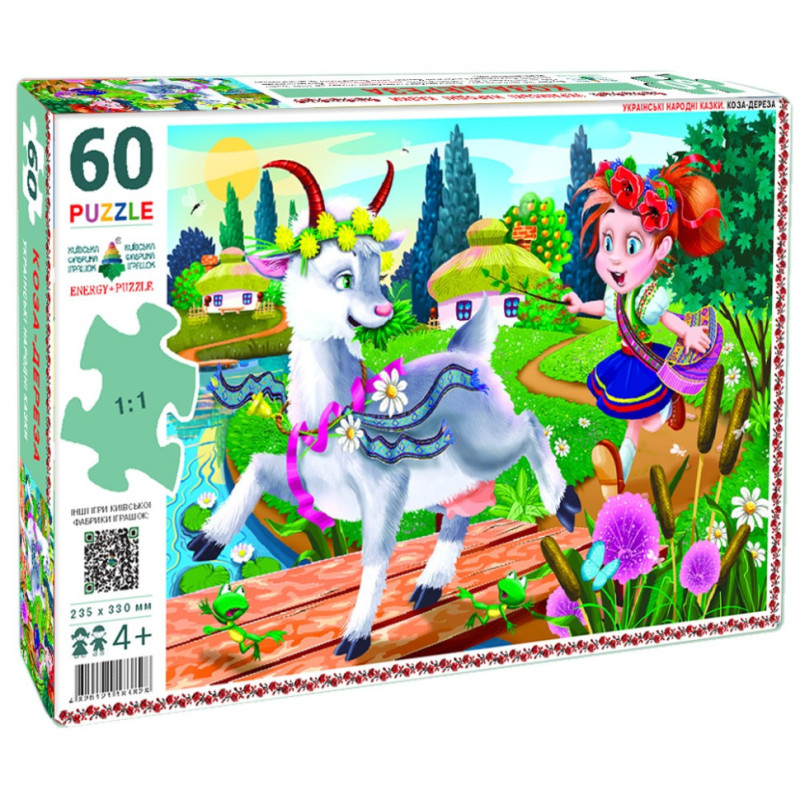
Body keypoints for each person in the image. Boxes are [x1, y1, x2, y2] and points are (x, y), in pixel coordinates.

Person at [562, 155, 725, 497]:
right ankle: (619, 473)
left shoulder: (648, 296)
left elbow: (664, 318)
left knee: (643, 420)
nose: (615, 257)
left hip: (645, 361)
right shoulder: (617, 293)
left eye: (632, 245)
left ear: (661, 248)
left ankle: (662, 412)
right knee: (636, 422)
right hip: (626, 359)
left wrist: (686, 332)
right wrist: (580, 306)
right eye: (608, 242)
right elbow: (605, 310)